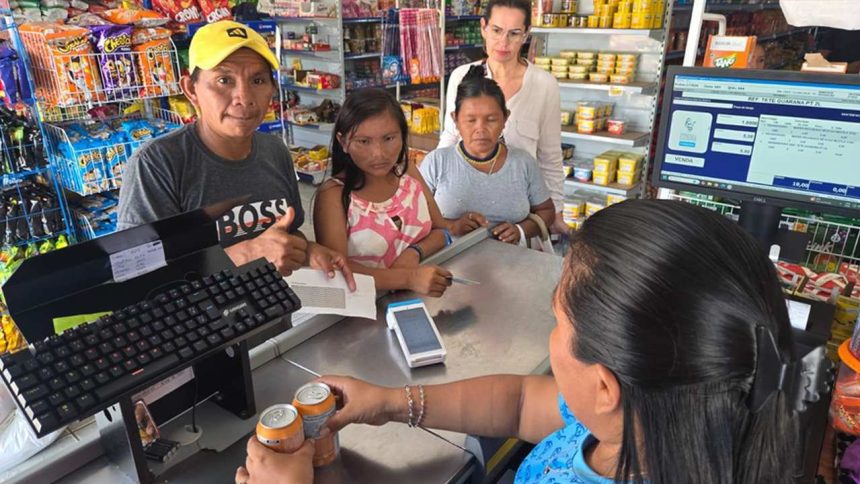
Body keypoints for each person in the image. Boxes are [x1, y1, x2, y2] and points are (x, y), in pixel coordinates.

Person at [237, 199, 828, 483]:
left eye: (560, 327)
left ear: (604, 385)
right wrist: (391, 402)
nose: (551, 340)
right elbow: (524, 403)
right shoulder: (649, 423)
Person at [117, 21, 353, 286]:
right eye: (224, 80)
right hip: (203, 325)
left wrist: (308, 251)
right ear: (191, 89)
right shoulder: (157, 164)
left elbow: (288, 233)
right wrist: (247, 253)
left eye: (257, 80)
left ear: (272, 90)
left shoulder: (275, 152)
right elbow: (135, 280)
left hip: (277, 316)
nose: (244, 97)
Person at [439, 0, 565, 234]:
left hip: (519, 210)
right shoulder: (461, 77)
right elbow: (449, 137)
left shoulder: (544, 85)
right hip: (465, 203)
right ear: (483, 27)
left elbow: (550, 157)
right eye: (496, 30)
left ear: (526, 34)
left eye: (514, 33)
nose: (503, 42)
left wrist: (554, 212)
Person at [313, 89, 453, 297]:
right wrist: (408, 278)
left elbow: (442, 232)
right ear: (343, 143)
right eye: (363, 141)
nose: (378, 153)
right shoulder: (334, 195)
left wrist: (414, 253)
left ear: (403, 135)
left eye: (388, 138)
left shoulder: (407, 172)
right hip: (365, 311)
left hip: (421, 295)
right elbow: (338, 271)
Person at [421, 66, 555, 245]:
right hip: (448, 266)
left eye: (491, 119)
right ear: (455, 120)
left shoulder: (523, 163)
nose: (481, 129)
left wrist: (520, 230)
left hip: (511, 264)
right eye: (470, 120)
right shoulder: (436, 162)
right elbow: (413, 217)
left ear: (505, 119)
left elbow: (547, 211)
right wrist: (451, 226)